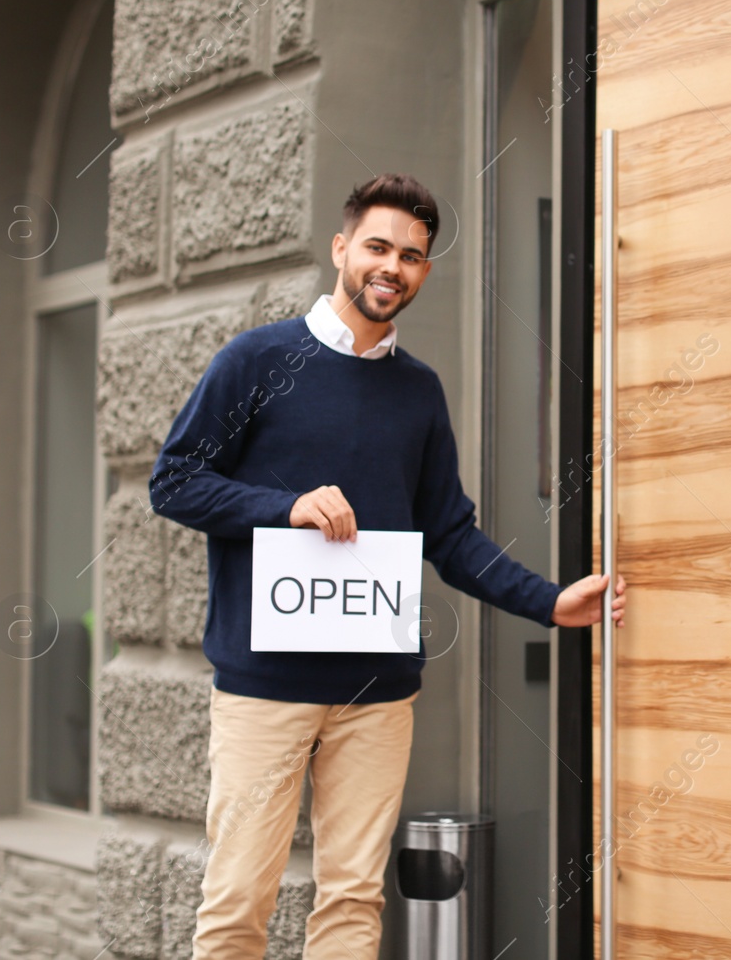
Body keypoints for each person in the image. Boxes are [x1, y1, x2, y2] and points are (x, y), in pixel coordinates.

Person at [149, 173, 626, 960]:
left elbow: (451, 534)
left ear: (423, 273)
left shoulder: (419, 392)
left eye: (411, 255)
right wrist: (286, 504)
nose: (391, 266)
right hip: (265, 689)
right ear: (342, 249)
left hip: (377, 695)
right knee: (239, 899)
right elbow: (175, 480)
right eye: (377, 246)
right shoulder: (257, 360)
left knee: (353, 901)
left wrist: (550, 602)